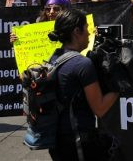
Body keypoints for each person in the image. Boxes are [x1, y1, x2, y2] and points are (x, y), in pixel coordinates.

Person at [46, 9, 119, 161]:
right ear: (76, 31)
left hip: (56, 140)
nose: (89, 33)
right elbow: (100, 108)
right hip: (79, 142)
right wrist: (118, 86)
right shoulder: (82, 64)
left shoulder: (54, 57)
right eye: (86, 28)